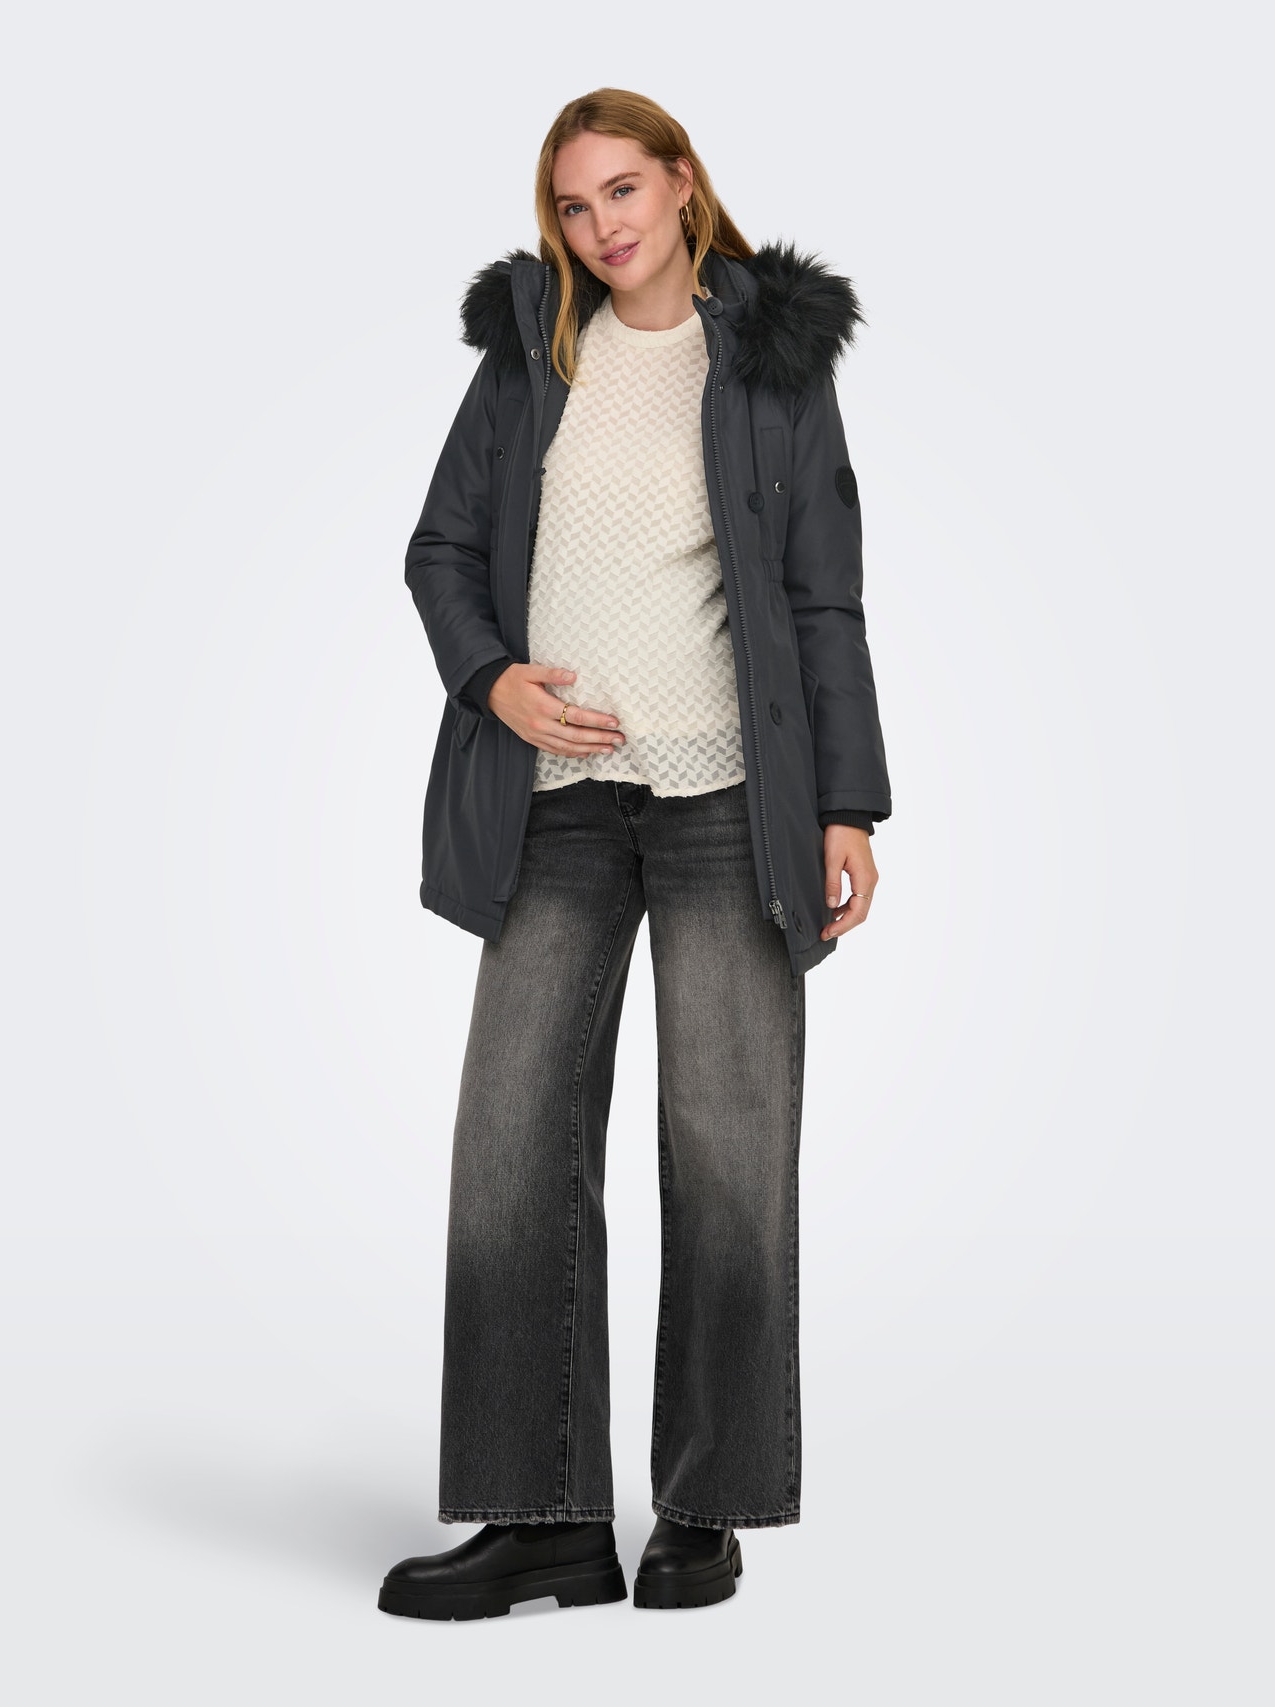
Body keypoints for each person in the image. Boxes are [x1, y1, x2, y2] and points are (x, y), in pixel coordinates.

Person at [377, 87, 891, 1621]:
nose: (599, 225)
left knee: (728, 1152)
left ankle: (705, 1509)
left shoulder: (773, 360)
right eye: (572, 203)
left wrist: (849, 804)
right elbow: (442, 549)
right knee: (511, 1149)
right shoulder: (530, 353)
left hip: (733, 797)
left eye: (620, 190)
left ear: (680, 184)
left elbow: (825, 596)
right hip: (553, 802)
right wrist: (494, 679)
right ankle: (542, 1517)